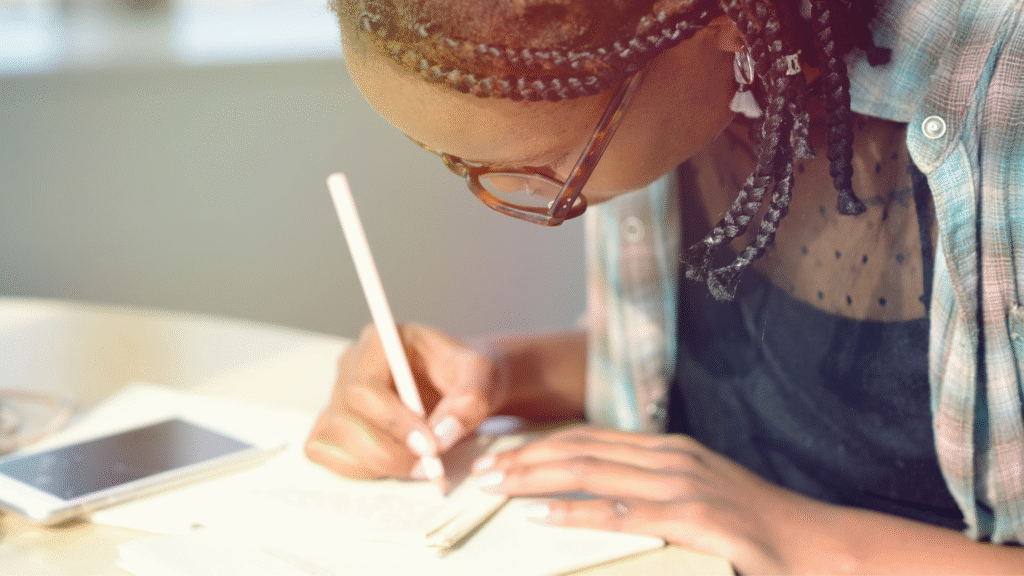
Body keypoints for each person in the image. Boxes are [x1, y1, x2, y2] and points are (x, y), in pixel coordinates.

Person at [304, 0, 1024, 572]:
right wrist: (497, 374)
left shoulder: (1005, 83)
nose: (496, 192)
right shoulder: (668, 81)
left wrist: (796, 538)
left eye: (546, 164)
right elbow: (762, 371)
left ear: (715, 22)